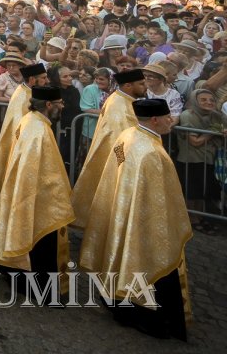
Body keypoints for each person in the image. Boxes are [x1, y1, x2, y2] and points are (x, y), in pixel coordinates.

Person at [79, 99, 193, 340]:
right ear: (155, 120)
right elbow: (160, 201)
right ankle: (145, 316)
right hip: (142, 221)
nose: (171, 121)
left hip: (122, 208)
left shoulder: (127, 135)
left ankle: (116, 300)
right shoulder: (153, 153)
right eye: (167, 117)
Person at [0, 82, 74, 296]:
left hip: (27, 191)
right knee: (39, 243)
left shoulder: (31, 120)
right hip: (37, 197)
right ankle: (38, 287)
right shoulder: (39, 130)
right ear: (49, 104)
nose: (63, 107)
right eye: (60, 103)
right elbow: (37, 171)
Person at [70, 68, 146, 228]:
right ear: (128, 85)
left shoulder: (123, 99)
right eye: (141, 83)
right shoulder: (118, 104)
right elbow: (118, 139)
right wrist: (123, 164)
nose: (145, 87)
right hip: (117, 162)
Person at [0, 61, 44, 212]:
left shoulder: (28, 92)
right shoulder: (23, 96)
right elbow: (20, 128)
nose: (47, 81)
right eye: (43, 78)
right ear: (32, 80)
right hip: (19, 146)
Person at [176, 87, 224, 230]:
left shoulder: (216, 116)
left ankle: (200, 217)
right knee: (192, 192)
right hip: (191, 159)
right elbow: (195, 141)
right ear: (195, 101)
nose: (208, 102)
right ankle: (192, 219)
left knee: (203, 191)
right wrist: (213, 132)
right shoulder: (187, 115)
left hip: (209, 159)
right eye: (203, 100)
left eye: (211, 100)